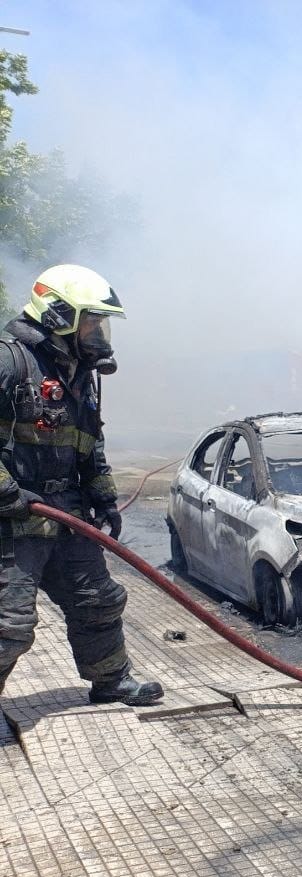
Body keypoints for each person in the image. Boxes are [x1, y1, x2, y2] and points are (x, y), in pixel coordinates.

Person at [0, 265, 163, 705]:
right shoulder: (10, 361)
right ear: (58, 316)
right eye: (91, 321)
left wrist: (103, 494)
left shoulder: (77, 372)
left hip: (66, 511)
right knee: (9, 625)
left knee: (98, 600)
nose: (99, 333)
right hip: (14, 517)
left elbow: (88, 441)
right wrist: (8, 494)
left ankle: (111, 681)